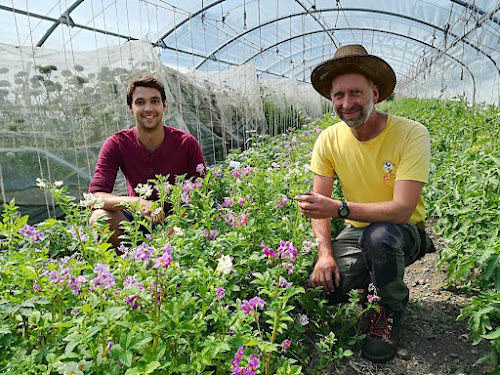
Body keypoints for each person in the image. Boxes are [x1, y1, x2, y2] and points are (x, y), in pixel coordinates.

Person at [295, 44, 435, 363]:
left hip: (401, 232)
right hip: (358, 232)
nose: (347, 103)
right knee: (321, 287)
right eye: (339, 95)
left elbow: (401, 208)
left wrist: (340, 209)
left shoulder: (411, 134)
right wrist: (325, 255)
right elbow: (320, 205)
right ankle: (369, 284)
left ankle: (389, 309)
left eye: (355, 93)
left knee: (380, 238)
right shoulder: (328, 140)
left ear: (375, 93)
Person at [88, 74, 205, 248]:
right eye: (140, 102)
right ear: (130, 108)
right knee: (99, 218)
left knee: (202, 226)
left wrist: (179, 224)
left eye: (155, 101)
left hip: (180, 221)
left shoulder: (186, 143)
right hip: (137, 222)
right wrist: (136, 202)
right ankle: (132, 268)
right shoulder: (117, 144)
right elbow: (95, 196)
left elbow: (201, 194)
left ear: (164, 106)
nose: (148, 108)